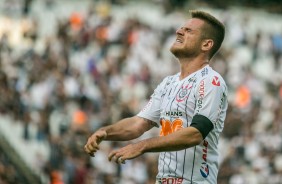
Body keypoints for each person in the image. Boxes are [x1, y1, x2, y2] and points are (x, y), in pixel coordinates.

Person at [84, 10, 228, 184]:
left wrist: (143, 145)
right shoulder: (168, 83)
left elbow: (195, 134)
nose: (179, 31)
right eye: (182, 28)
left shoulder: (211, 81)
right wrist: (106, 132)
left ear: (206, 44)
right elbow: (139, 123)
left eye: (189, 31)